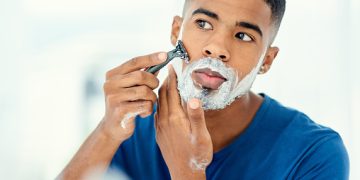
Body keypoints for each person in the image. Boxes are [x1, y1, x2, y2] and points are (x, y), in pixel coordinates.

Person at [58, 0, 350, 179]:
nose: (217, 48)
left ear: (267, 60)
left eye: (243, 36)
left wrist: (188, 170)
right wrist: (107, 131)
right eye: (203, 23)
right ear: (176, 32)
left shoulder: (314, 154)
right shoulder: (134, 126)